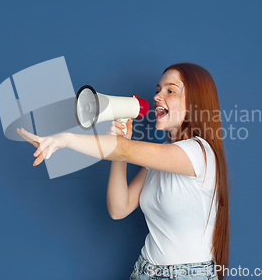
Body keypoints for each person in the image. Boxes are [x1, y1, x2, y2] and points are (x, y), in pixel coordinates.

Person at [17, 62, 230, 280]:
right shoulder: (161, 158)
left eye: (170, 91)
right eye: (158, 89)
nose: (157, 97)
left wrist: (66, 139)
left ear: (196, 102)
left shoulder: (199, 152)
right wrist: (120, 145)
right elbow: (119, 208)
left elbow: (125, 152)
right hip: (144, 271)